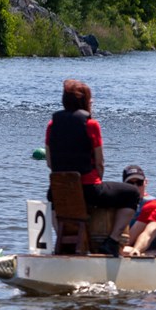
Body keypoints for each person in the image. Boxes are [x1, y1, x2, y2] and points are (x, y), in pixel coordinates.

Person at [43, 78, 140, 253]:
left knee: (52, 200)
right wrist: (97, 184)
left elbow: (50, 162)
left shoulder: (52, 125)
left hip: (59, 191)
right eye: (90, 99)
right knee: (132, 193)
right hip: (89, 189)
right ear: (84, 102)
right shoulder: (91, 125)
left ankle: (64, 242)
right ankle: (112, 240)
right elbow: (100, 163)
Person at [122, 164, 156, 248]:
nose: (135, 187)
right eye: (130, 183)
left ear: (146, 182)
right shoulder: (120, 204)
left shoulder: (154, 204)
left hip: (149, 251)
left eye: (139, 183)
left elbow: (129, 240)